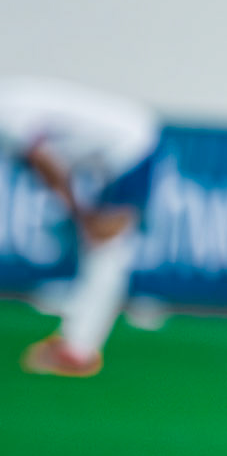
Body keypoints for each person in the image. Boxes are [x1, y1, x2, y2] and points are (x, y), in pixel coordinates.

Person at [0, 77, 159, 377]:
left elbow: (45, 163)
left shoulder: (6, 115)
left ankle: (78, 350)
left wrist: (76, 209)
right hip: (102, 157)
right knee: (97, 248)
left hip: (131, 149)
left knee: (106, 249)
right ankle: (76, 342)